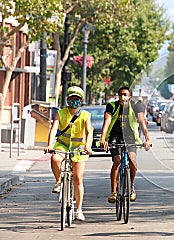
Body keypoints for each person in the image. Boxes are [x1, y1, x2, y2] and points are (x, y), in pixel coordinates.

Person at [44, 86, 93, 221]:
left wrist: (88, 146)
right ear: (67, 99)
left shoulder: (85, 115)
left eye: (77, 99)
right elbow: (54, 129)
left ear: (81, 100)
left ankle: (78, 210)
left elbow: (89, 132)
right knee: (55, 159)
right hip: (63, 145)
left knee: (77, 178)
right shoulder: (60, 113)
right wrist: (49, 145)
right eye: (72, 98)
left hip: (79, 149)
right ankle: (59, 181)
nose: (74, 101)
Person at [99, 86, 151, 204]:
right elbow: (107, 122)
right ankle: (113, 191)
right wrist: (103, 138)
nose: (123, 97)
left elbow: (142, 122)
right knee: (117, 161)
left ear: (130, 96)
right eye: (121, 94)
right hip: (115, 136)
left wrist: (147, 139)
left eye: (125, 95)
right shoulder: (112, 106)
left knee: (133, 161)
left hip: (130, 137)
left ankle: (131, 186)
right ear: (118, 96)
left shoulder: (136, 105)